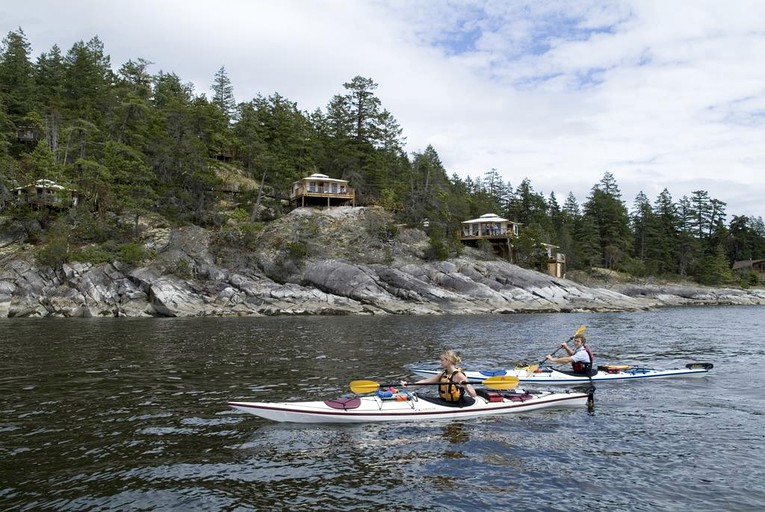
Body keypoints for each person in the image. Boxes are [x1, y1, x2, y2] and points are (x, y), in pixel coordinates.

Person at [401, 349, 477, 403]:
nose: (440, 362)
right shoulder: (442, 374)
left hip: (457, 404)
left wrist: (466, 387)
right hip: (444, 402)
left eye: (442, 360)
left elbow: (473, 394)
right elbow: (424, 382)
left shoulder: (459, 375)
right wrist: (408, 385)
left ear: (449, 360)